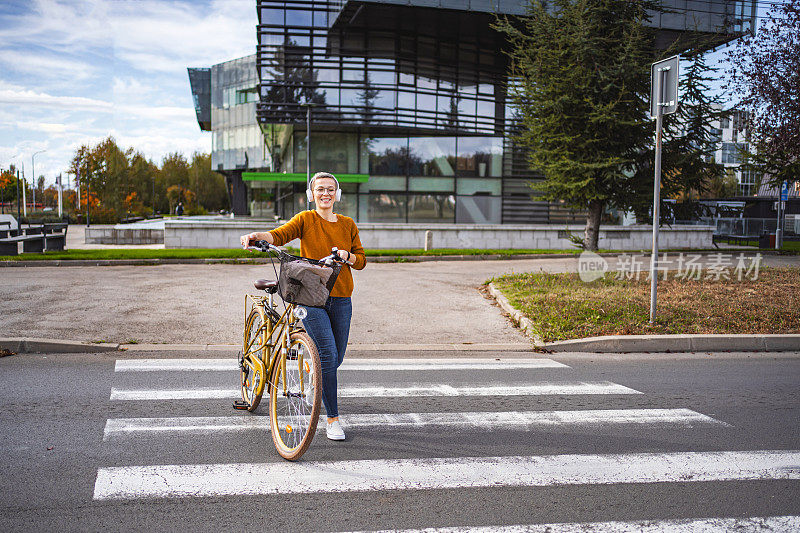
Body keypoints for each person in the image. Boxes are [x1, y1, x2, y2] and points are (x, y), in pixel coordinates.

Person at [240, 172, 366, 441]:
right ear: (312, 194)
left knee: (336, 357)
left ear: (337, 194)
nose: (325, 194)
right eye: (320, 189)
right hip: (310, 296)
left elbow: (362, 260)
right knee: (329, 356)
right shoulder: (306, 219)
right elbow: (279, 234)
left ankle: (315, 382)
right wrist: (256, 236)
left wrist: (348, 256)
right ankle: (332, 419)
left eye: (330, 190)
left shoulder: (348, 224)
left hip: (342, 297)